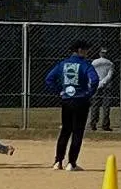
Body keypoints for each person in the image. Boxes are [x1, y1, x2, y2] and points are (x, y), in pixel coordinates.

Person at [46, 40, 100, 171]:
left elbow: (49, 79)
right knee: (77, 132)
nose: (88, 52)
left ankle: (58, 161)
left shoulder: (62, 64)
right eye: (86, 50)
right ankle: (71, 163)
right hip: (81, 100)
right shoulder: (85, 65)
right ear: (80, 50)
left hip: (66, 100)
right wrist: (88, 93)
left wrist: (60, 90)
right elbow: (95, 80)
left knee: (65, 130)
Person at [90, 48, 116, 131]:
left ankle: (93, 123)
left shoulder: (94, 62)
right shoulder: (110, 63)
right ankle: (105, 125)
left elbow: (91, 73)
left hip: (96, 84)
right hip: (106, 85)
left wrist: (98, 83)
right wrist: (103, 82)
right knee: (106, 105)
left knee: (95, 104)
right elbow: (109, 75)